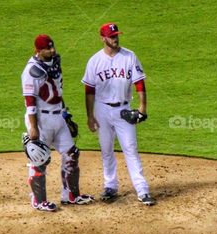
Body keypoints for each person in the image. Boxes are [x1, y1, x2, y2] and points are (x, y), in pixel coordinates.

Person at [81, 22, 155, 205]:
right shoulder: (94, 61)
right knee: (106, 149)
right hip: (102, 109)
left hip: (123, 109)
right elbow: (89, 90)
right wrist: (90, 116)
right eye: (112, 36)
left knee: (130, 149)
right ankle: (110, 186)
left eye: (116, 35)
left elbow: (139, 83)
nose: (115, 39)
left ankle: (142, 189)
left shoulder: (129, 56)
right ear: (103, 38)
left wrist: (142, 107)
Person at [21, 34, 94, 212]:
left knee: (72, 153)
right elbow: (29, 102)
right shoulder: (31, 71)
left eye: (53, 47)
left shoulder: (54, 63)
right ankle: (38, 200)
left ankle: (71, 195)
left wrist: (65, 114)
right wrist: (33, 128)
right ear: (38, 51)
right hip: (41, 120)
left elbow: (58, 93)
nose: (52, 51)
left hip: (57, 116)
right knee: (40, 160)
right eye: (48, 48)